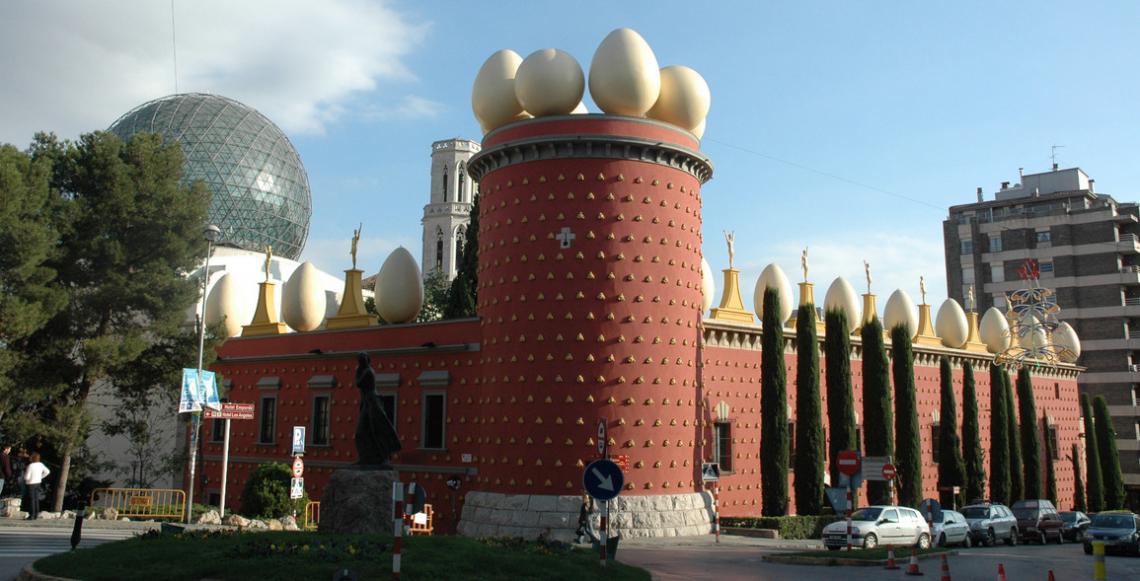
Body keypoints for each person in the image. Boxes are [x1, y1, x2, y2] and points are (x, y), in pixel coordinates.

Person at [24, 452, 50, 520]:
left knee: (31, 499)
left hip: (31, 483)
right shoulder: (40, 464)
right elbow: (47, 471)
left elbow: (27, 477)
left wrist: (25, 478)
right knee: (36, 499)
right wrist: (41, 477)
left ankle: (31, 514)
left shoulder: (31, 466)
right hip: (38, 482)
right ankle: (36, 514)